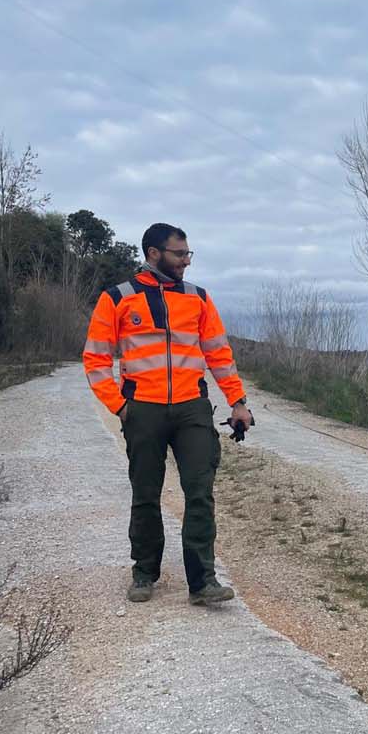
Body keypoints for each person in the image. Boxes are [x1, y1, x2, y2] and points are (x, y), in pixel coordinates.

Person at [83, 222, 253, 604]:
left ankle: (203, 582)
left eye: (189, 253)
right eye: (180, 254)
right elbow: (95, 359)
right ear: (154, 253)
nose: (186, 261)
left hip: (192, 407)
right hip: (142, 410)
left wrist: (238, 401)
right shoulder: (118, 298)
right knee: (146, 494)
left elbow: (218, 354)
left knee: (200, 492)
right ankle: (144, 573)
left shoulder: (198, 298)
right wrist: (119, 406)